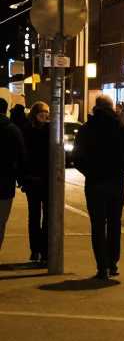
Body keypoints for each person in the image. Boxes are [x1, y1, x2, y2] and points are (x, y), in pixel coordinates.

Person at [73, 94, 124, 279]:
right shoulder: (121, 127)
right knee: (114, 222)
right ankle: (113, 262)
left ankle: (102, 266)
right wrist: (120, 170)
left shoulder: (87, 128)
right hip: (117, 183)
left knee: (98, 224)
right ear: (112, 108)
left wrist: (89, 171)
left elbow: (76, 157)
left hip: (94, 183)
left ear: (96, 107)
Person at [24, 101, 50, 263]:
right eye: (42, 114)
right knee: (34, 216)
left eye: (47, 113)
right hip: (34, 180)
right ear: (34, 115)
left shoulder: (51, 131)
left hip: (46, 180)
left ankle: (44, 250)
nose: (45, 116)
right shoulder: (28, 132)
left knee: (47, 216)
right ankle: (36, 249)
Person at [0, 97, 27, 254]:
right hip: (5, 182)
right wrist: (22, 180)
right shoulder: (13, 129)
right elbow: (21, 156)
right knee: (1, 222)